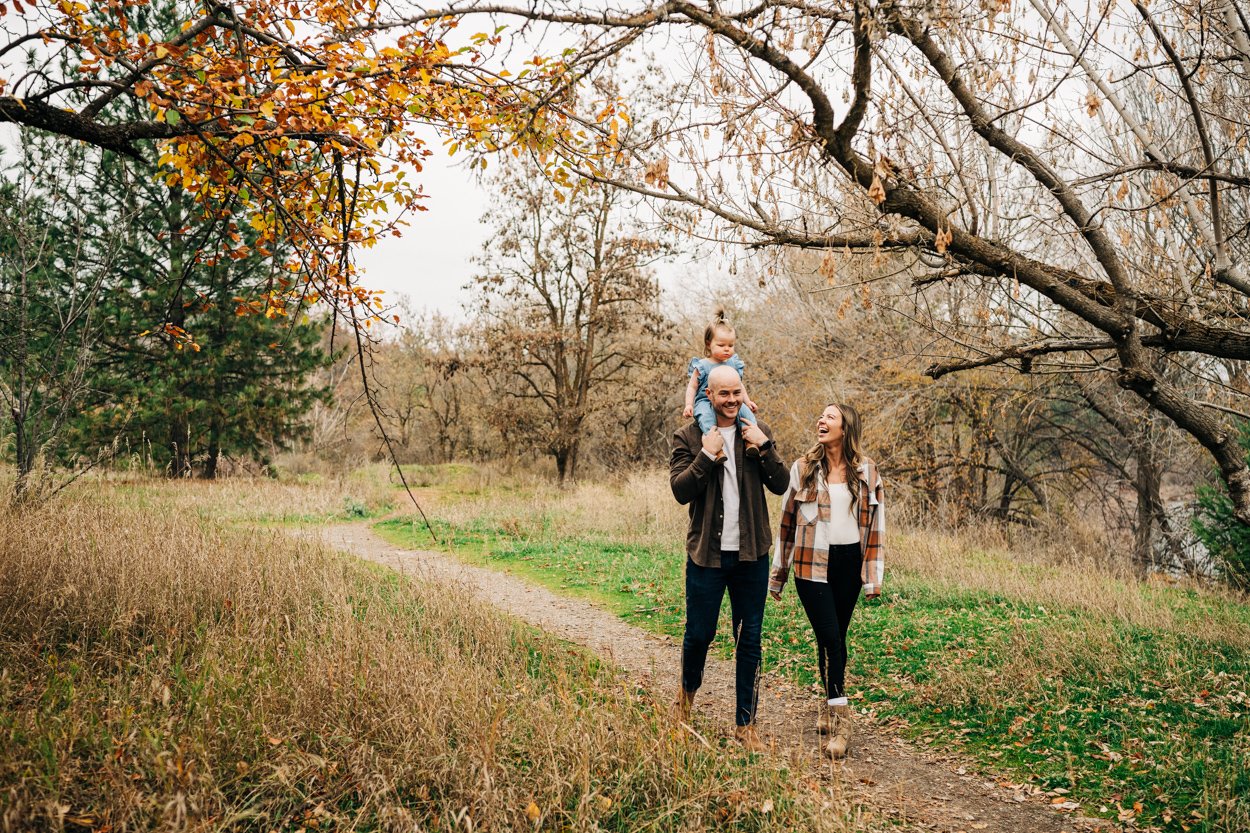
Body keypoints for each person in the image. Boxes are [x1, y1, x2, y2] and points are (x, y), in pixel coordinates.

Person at [670, 364, 790, 752]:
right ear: (708, 394)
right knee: (699, 635)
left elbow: (781, 484)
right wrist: (706, 455)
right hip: (706, 556)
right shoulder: (689, 436)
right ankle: (684, 703)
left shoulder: (756, 433)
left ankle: (746, 723)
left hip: (751, 555)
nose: (733, 400)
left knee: (749, 639)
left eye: (737, 392)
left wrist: (765, 447)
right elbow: (680, 491)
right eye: (724, 394)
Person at [768, 403, 884, 760]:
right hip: (809, 566)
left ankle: (827, 705)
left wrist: (872, 578)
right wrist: (779, 574)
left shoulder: (867, 471)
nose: (821, 420)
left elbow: (877, 527)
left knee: (831, 638)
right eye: (820, 415)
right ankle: (843, 722)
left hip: (848, 564)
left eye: (830, 417)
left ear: (845, 428)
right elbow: (786, 524)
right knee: (832, 639)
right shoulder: (802, 470)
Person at [683, 310, 761, 454]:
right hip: (704, 401)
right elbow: (692, 387)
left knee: (747, 414)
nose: (727, 349)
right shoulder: (702, 365)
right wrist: (689, 404)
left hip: (731, 399)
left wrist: (747, 401)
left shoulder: (732, 363)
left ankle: (750, 442)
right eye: (721, 345)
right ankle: (716, 450)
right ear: (708, 344)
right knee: (706, 419)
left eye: (730, 345)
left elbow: (740, 386)